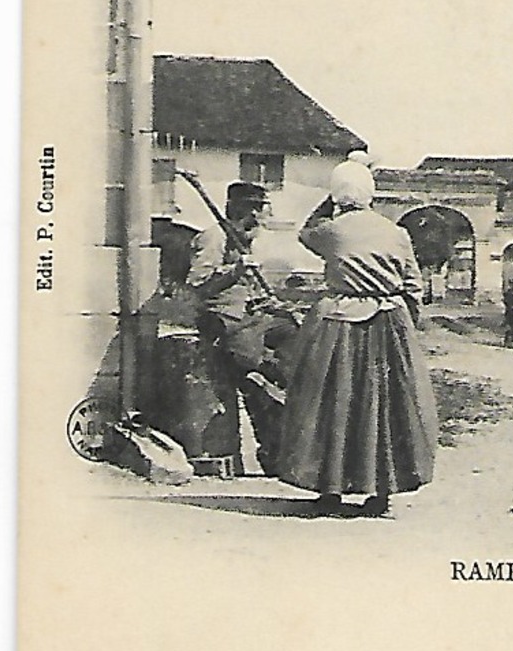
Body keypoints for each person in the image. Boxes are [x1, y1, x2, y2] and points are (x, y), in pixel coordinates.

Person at [274, 160, 439, 517]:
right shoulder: (396, 232)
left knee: (332, 402)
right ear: (371, 194)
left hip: (339, 321)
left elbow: (305, 232)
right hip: (389, 322)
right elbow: (413, 285)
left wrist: (328, 203)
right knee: (384, 404)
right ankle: (379, 493)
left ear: (337, 195)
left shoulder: (333, 231)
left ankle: (329, 489)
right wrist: (409, 325)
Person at [187, 181, 297, 474]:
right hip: (225, 322)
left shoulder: (246, 240)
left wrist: (274, 305)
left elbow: (253, 291)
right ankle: (265, 383)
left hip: (253, 320)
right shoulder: (213, 238)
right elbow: (198, 287)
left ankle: (280, 434)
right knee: (252, 372)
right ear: (239, 210)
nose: (260, 218)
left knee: (296, 338)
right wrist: (235, 271)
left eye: (262, 209)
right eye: (255, 210)